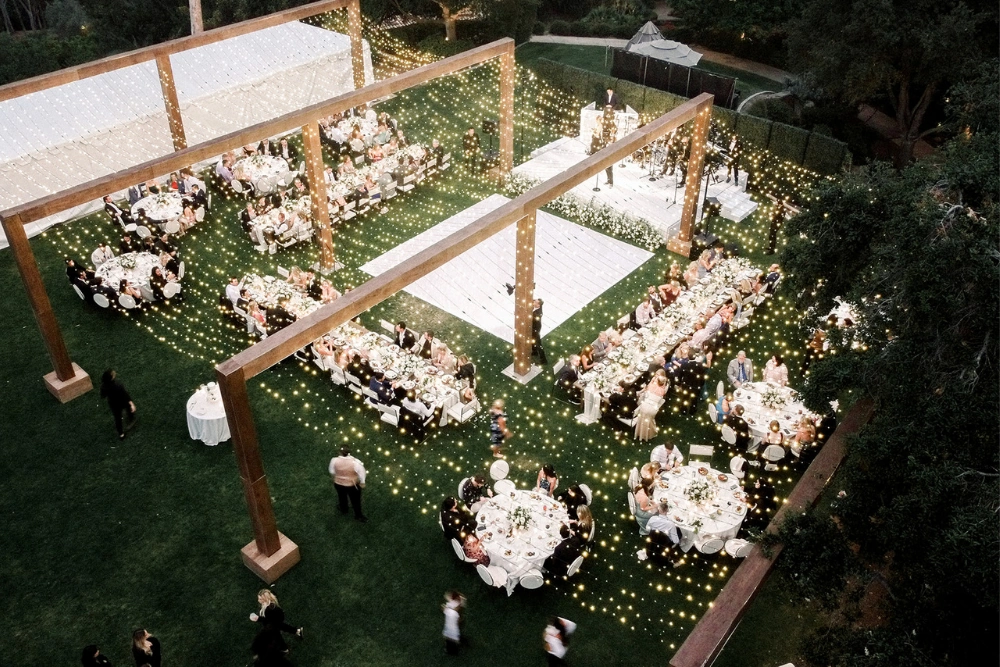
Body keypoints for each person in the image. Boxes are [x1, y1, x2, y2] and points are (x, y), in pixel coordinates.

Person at [329, 446, 367, 522]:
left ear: (339, 452)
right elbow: (362, 472)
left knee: (342, 497)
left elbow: (332, 471)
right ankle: (358, 515)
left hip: (338, 484)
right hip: (352, 485)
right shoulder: (355, 462)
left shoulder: (334, 460)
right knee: (356, 501)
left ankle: (344, 509)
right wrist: (362, 482)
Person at [100, 369, 136, 440]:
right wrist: (132, 403)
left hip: (113, 404)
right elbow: (125, 395)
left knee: (117, 418)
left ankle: (121, 434)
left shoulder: (103, 387)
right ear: (111, 378)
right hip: (122, 401)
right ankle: (131, 418)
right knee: (128, 407)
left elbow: (103, 396)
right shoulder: (118, 386)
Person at [442, 590, 463, 655]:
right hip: (452, 629)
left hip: (449, 629)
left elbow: (444, 608)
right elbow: (458, 620)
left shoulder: (449, 609)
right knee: (453, 641)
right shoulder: (454, 613)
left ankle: (450, 649)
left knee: (449, 640)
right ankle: (452, 651)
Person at [531, 298, 547, 365]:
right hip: (535, 328)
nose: (533, 302)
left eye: (535, 302)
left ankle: (543, 360)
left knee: (538, 343)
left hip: (535, 329)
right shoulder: (538, 308)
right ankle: (534, 352)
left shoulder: (536, 313)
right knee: (532, 340)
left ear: (538, 305)